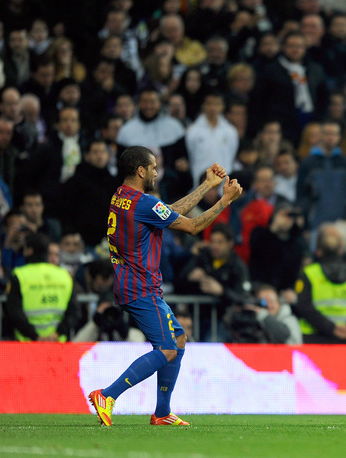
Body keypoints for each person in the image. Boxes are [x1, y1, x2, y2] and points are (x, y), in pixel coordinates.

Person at [88, 146, 242, 427]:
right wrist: (225, 201)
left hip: (131, 282)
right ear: (141, 171)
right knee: (168, 348)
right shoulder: (144, 203)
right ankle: (107, 395)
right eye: (154, 168)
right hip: (141, 287)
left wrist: (207, 185)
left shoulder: (122, 197)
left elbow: (167, 213)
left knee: (178, 340)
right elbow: (193, 226)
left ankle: (161, 412)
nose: (157, 173)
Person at [294, 222, 346, 344]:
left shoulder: (308, 273)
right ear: (341, 250)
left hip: (314, 339)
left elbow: (303, 306)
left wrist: (331, 328)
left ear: (318, 251)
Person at [4, 233, 80, 342]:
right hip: (58, 343)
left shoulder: (20, 275)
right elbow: (75, 313)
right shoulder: (64, 276)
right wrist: (57, 333)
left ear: (29, 251)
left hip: (26, 344)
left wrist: (35, 336)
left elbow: (14, 312)